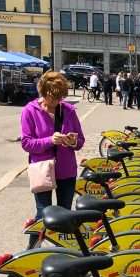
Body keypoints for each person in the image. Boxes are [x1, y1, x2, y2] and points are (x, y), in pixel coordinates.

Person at [20, 71, 86, 221]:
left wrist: (72, 142)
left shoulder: (68, 110)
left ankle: (60, 245)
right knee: (43, 215)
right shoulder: (30, 111)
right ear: (43, 92)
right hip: (42, 169)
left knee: (64, 215)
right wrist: (50, 140)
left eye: (61, 97)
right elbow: (26, 143)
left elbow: (80, 140)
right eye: (54, 97)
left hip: (66, 169)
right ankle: (34, 245)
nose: (57, 101)